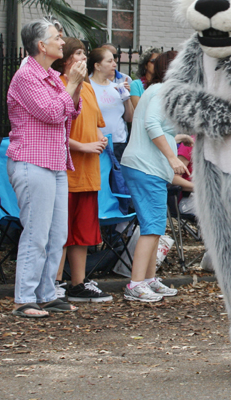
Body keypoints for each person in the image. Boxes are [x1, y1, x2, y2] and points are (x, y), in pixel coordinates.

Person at [6, 19, 86, 318]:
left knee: (56, 234)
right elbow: (53, 113)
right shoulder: (27, 76)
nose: (62, 42)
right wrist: (74, 83)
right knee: (36, 234)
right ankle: (24, 298)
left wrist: (72, 86)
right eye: (57, 37)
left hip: (54, 162)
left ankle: (47, 294)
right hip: (31, 161)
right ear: (41, 45)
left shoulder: (51, 76)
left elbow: (71, 112)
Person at [52, 38, 112, 304]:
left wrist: (99, 140)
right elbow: (56, 130)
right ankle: (54, 283)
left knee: (82, 233)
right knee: (61, 232)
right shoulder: (57, 85)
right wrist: (85, 147)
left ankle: (78, 283)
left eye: (85, 53)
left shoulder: (88, 89)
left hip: (89, 173)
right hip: (67, 173)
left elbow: (97, 124)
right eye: (78, 53)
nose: (83, 58)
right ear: (65, 59)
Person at [120, 51, 184, 302]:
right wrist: (172, 157)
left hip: (145, 167)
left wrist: (177, 139)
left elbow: (154, 126)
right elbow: (152, 125)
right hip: (147, 168)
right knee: (151, 226)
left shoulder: (156, 90)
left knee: (154, 226)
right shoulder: (161, 92)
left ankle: (147, 279)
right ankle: (135, 284)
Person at [88, 47, 134, 160]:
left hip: (119, 142)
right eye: (109, 61)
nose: (114, 64)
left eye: (114, 60)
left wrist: (126, 97)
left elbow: (130, 118)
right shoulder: (87, 87)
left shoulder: (116, 87)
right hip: (98, 142)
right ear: (97, 66)